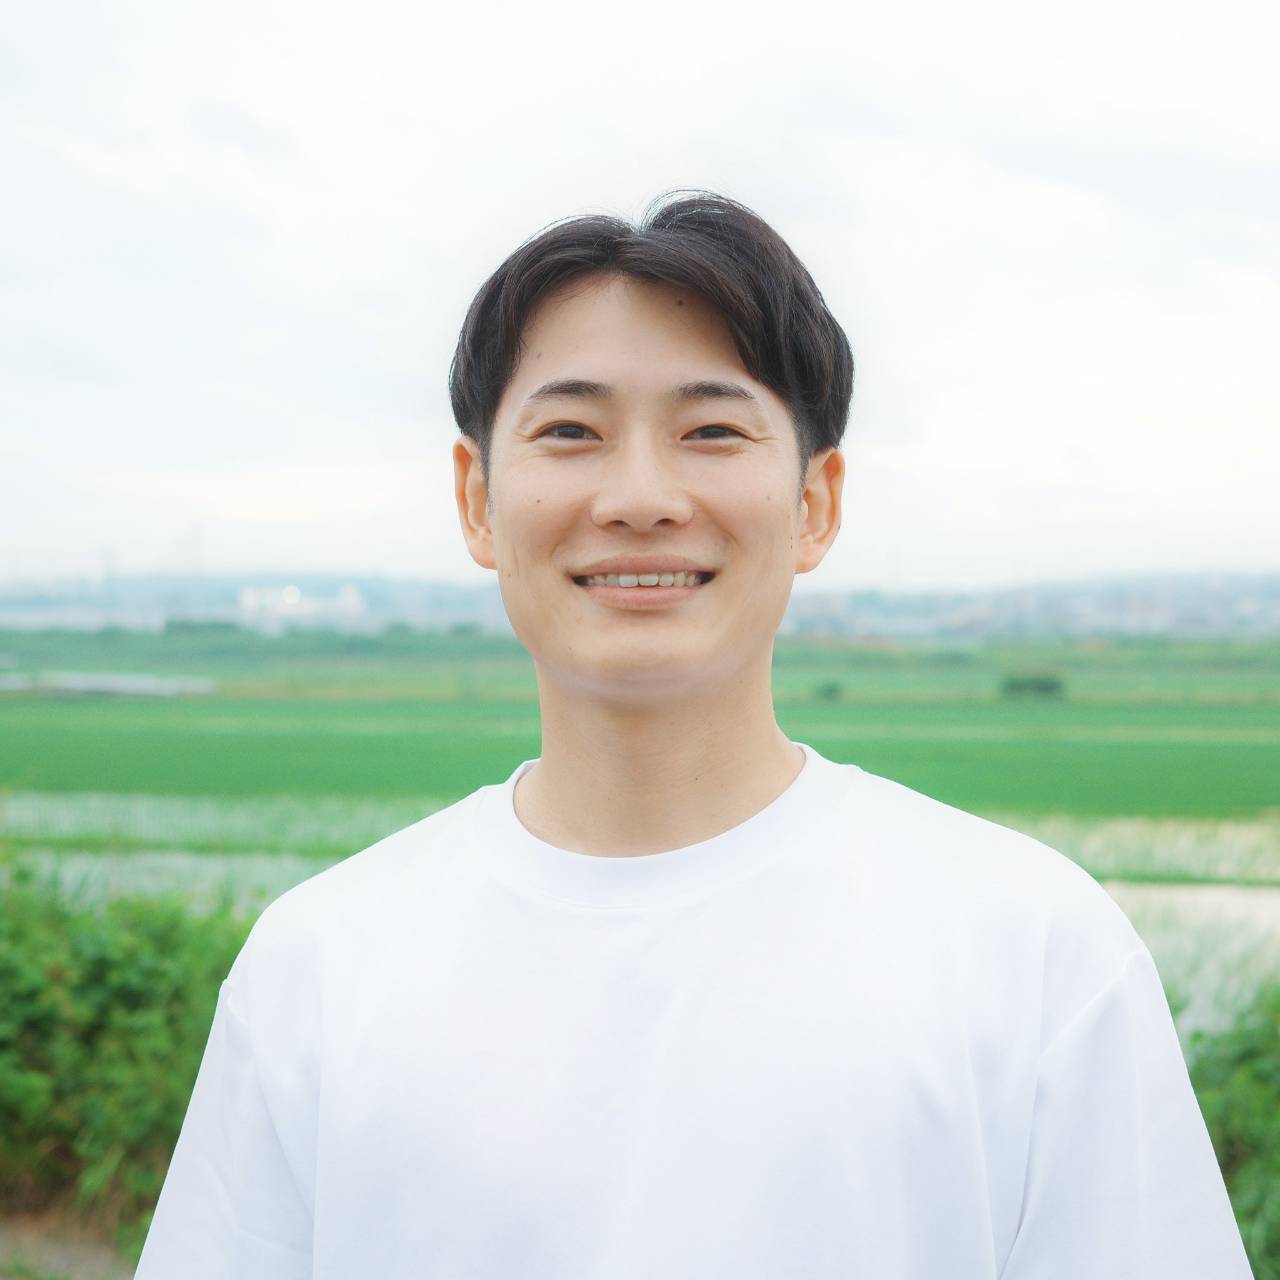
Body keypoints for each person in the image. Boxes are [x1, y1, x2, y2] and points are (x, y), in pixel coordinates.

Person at [135, 191, 1252, 1279]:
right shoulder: (317, 965)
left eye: (711, 430)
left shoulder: (1035, 950)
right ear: (476, 497)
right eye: (570, 431)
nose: (639, 496)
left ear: (815, 501)